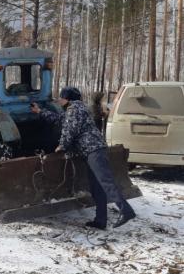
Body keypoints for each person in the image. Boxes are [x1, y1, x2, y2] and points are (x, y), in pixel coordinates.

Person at [31, 87, 136, 229]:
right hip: (91, 151)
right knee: (97, 186)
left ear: (68, 99)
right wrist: (40, 111)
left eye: (61, 97)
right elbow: (59, 119)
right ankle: (100, 221)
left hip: (94, 150)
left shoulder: (74, 110)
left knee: (106, 182)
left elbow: (70, 130)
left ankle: (126, 211)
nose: (59, 100)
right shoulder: (76, 109)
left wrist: (61, 146)